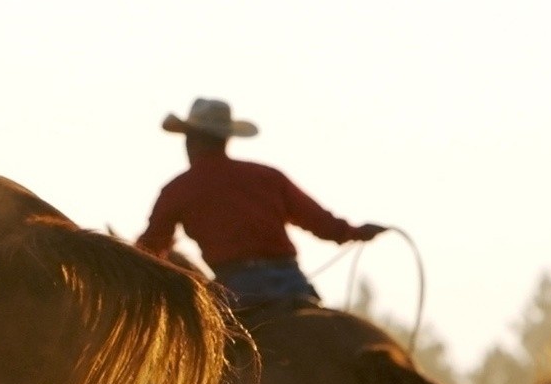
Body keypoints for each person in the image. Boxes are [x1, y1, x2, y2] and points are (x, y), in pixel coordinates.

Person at [137, 98, 385, 306]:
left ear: (192, 140)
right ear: (225, 139)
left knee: (212, 358)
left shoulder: (178, 190)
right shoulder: (267, 177)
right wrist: (358, 232)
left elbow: (150, 250)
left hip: (237, 288)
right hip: (291, 281)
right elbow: (323, 224)